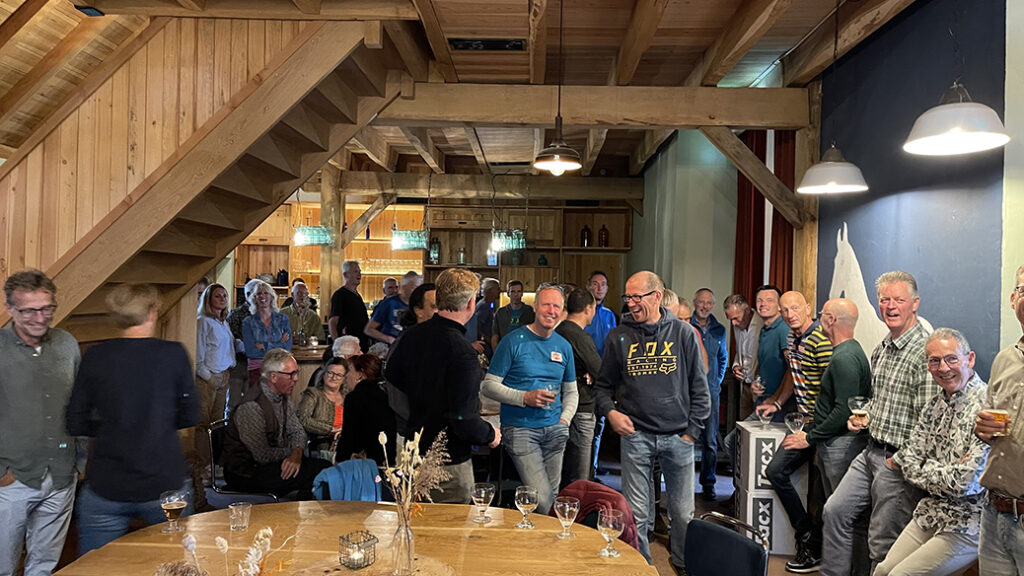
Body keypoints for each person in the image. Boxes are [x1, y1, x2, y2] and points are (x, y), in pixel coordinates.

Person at [66, 283, 200, 553]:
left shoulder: (95, 356)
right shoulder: (173, 354)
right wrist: (157, 424)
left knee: (96, 568)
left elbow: (74, 421)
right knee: (173, 563)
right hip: (164, 482)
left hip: (108, 482)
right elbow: (191, 414)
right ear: (152, 313)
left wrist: (110, 427)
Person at [821, 271, 938, 576]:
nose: (890, 306)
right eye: (885, 299)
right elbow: (880, 402)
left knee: (882, 542)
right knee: (835, 511)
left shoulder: (925, 353)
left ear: (915, 303)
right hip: (869, 451)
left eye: (899, 299)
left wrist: (899, 461)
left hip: (896, 462)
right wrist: (863, 416)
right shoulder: (883, 347)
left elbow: (929, 425)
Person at [594, 271, 710, 570]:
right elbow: (602, 387)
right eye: (628, 297)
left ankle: (682, 564)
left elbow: (700, 387)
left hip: (678, 437)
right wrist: (611, 412)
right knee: (637, 514)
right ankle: (642, 567)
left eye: (637, 297)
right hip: (636, 437)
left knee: (682, 514)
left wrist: (692, 431)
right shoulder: (618, 336)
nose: (631, 303)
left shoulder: (684, 333)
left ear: (657, 296)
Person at [872, 328, 989, 576]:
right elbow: (909, 463)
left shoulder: (988, 408)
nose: (943, 368)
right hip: (932, 511)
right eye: (935, 361)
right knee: (882, 570)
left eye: (951, 359)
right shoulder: (933, 406)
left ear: (970, 359)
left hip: (969, 523)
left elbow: (965, 483)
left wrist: (926, 468)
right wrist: (943, 470)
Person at [385, 269, 501, 503]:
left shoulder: (410, 337)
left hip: (413, 451)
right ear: (470, 303)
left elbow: (392, 381)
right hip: (449, 462)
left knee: (413, 521)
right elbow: (464, 420)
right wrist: (490, 434)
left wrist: (417, 415)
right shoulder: (463, 352)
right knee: (451, 526)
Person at [781, 298, 871, 571]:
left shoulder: (843, 358)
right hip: (835, 444)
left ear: (831, 320)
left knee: (842, 516)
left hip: (841, 446)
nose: (819, 319)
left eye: (822, 314)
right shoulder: (847, 352)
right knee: (833, 511)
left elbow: (843, 411)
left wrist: (809, 437)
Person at [0, 270, 80, 576]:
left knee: (44, 567)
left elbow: (78, 406)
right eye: (29, 310)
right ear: (10, 309)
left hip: (61, 477)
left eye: (47, 308)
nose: (40, 318)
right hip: (11, 480)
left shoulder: (66, 344)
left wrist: (79, 462)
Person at [483, 284, 578, 515]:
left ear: (562, 311)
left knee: (551, 500)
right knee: (543, 501)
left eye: (556, 306)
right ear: (534, 307)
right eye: (546, 305)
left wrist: (564, 421)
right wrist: (524, 397)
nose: (551, 311)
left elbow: (571, 392)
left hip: (555, 430)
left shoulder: (564, 346)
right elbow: (489, 386)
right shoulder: (512, 341)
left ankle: (538, 538)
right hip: (520, 430)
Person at [756, 291, 834, 573]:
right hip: (803, 421)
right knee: (775, 471)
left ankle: (815, 548)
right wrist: (777, 402)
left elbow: (832, 386)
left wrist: (815, 431)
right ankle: (807, 534)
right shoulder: (791, 337)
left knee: (826, 495)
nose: (790, 314)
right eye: (785, 310)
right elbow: (793, 372)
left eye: (795, 308)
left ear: (808, 308)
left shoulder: (820, 340)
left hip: (822, 426)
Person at [221, 349, 328, 499]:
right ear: (273, 377)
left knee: (323, 468)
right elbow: (262, 455)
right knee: (319, 471)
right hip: (245, 472)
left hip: (270, 462)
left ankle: (302, 508)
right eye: (291, 374)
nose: (296, 378)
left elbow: (297, 431)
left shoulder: (282, 396)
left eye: (296, 372)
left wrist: (296, 454)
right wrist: (293, 453)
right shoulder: (251, 406)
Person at [973, 265, 1024, 575]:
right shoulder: (1004, 359)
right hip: (994, 513)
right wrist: (983, 429)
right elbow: (990, 426)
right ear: (1013, 299)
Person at [723, 285, 789, 474]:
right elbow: (758, 360)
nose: (763, 304)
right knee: (741, 442)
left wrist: (776, 401)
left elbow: (792, 369)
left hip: (776, 403)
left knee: (738, 442)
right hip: (755, 392)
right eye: (760, 300)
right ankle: (742, 487)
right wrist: (750, 376)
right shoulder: (766, 330)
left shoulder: (780, 328)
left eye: (769, 300)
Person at [556, 287, 602, 487]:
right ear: (588, 308)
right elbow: (600, 371)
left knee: (562, 468)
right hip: (581, 407)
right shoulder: (579, 336)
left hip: (559, 406)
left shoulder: (557, 331)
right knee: (580, 475)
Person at [194, 282, 235, 485]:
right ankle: (202, 465)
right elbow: (198, 353)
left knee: (217, 422)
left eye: (224, 295)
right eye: (217, 296)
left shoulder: (223, 322)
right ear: (208, 299)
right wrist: (208, 376)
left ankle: (214, 463)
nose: (222, 299)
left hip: (224, 374)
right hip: (208, 377)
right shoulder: (203, 321)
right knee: (203, 423)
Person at [690, 288, 728, 501]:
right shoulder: (685, 325)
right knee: (684, 437)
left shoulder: (720, 330)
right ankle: (683, 483)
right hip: (688, 392)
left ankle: (708, 484)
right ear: (694, 302)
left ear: (712, 305)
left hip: (711, 392)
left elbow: (722, 358)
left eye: (708, 303)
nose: (704, 306)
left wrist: (717, 381)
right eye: (701, 302)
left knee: (710, 441)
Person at [336, 354, 395, 468]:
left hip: (363, 461)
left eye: (349, 370)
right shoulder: (385, 393)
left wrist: (339, 461)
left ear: (360, 374)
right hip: (387, 460)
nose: (346, 375)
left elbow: (348, 436)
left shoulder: (355, 397)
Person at [242, 280, 292, 388]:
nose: (262, 296)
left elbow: (287, 348)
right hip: (256, 369)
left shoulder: (283, 319)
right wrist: (279, 344)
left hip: (279, 368)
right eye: (259, 293)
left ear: (272, 297)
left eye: (266, 293)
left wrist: (264, 345)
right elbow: (250, 351)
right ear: (254, 298)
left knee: (279, 397)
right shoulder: (248, 322)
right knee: (258, 398)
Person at [297, 357, 349, 462]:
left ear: (344, 378)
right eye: (330, 373)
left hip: (346, 446)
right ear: (324, 373)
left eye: (339, 375)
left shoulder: (348, 397)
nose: (334, 377)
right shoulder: (313, 393)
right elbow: (302, 419)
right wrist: (331, 429)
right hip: (320, 448)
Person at [723, 293, 763, 423]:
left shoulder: (762, 323)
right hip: (745, 385)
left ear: (747, 310)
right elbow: (740, 351)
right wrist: (735, 366)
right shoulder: (737, 326)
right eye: (730, 319)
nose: (733, 323)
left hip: (761, 386)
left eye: (736, 318)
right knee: (744, 426)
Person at [365, 271, 422, 345]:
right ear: (403, 287)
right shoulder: (389, 303)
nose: (417, 291)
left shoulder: (420, 304)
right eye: (414, 287)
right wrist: (388, 339)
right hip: (389, 346)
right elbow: (369, 329)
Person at [328, 260, 370, 350]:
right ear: (346, 275)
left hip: (360, 344)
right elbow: (333, 322)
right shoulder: (340, 295)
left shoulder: (357, 295)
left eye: (359, 272)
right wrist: (337, 345)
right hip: (347, 346)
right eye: (355, 272)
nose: (359, 274)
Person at [491, 279, 535, 352]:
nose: (516, 295)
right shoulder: (501, 312)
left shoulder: (530, 311)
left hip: (524, 350)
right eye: (513, 291)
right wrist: (496, 353)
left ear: (522, 293)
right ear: (508, 294)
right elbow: (495, 335)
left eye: (519, 291)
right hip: (506, 349)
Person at [584, 270, 617, 357]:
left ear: (607, 288)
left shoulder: (609, 315)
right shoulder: (582, 312)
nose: (600, 288)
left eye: (603, 284)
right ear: (588, 286)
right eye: (595, 284)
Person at [466, 277, 499, 357]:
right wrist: (488, 340)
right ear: (490, 290)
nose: (499, 291)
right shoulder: (484, 306)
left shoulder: (491, 304)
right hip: (484, 345)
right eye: (497, 289)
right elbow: (477, 326)